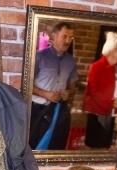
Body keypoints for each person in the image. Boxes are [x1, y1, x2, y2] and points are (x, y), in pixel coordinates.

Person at [28, 21, 78, 151]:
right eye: (65, 36)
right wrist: (46, 94)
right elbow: (26, 84)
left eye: (71, 38)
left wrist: (68, 92)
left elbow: (72, 86)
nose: (68, 41)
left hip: (57, 111)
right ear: (54, 36)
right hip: (36, 110)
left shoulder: (71, 61)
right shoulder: (40, 57)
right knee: (32, 147)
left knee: (54, 147)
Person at [82, 31, 117, 148]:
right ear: (112, 52)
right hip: (97, 114)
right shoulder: (96, 67)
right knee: (94, 145)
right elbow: (93, 91)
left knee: (105, 146)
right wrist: (112, 102)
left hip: (111, 114)